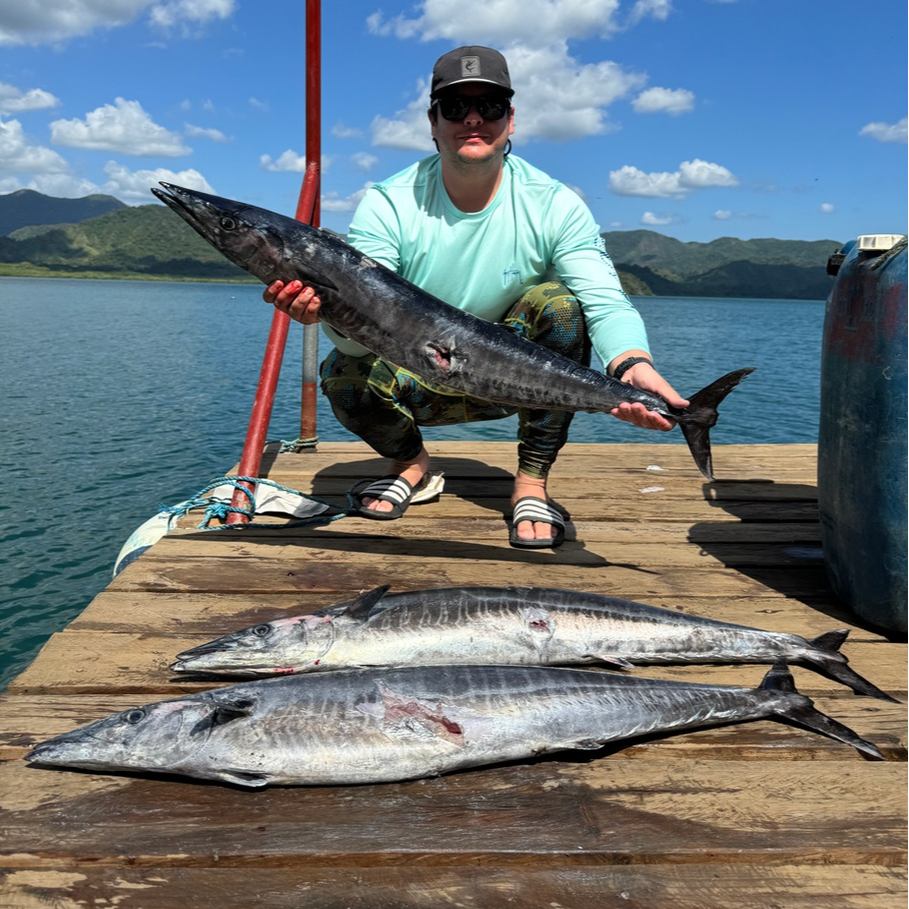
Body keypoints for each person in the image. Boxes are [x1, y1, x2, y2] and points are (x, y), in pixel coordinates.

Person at [264, 45, 688, 549]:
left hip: (516, 377)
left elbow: (604, 299)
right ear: (432, 120)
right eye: (454, 107)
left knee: (561, 306)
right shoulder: (389, 202)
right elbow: (361, 335)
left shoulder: (553, 204)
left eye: (488, 107)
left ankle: (531, 482)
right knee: (342, 374)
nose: (472, 119)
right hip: (414, 371)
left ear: (511, 120)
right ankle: (410, 464)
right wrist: (326, 313)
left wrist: (631, 363)